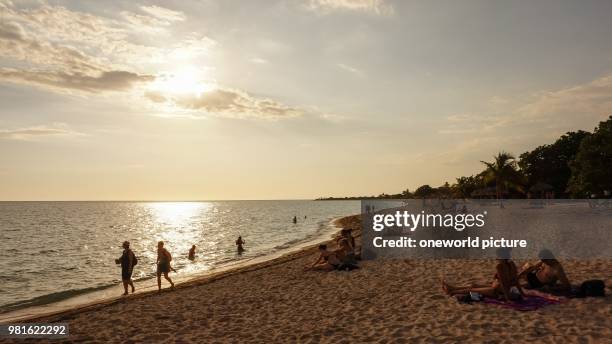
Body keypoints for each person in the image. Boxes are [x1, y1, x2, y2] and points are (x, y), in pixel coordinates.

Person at [442, 249, 525, 302]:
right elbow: (516, 281)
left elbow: (503, 283)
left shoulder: (500, 267)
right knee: (474, 285)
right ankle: (452, 288)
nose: (497, 258)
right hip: (502, 288)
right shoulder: (511, 264)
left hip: (498, 291)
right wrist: (522, 294)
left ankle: (452, 291)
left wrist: (507, 298)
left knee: (472, 290)